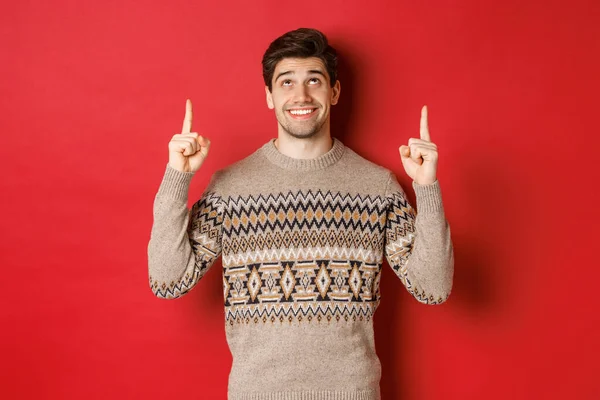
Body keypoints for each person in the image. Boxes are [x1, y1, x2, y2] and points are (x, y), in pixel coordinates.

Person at [147, 27, 454, 400]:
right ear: (269, 97)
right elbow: (167, 281)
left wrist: (427, 186)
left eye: (314, 80)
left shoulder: (378, 187)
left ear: (334, 92)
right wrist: (177, 176)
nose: (301, 95)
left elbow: (434, 289)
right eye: (286, 82)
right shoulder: (230, 187)